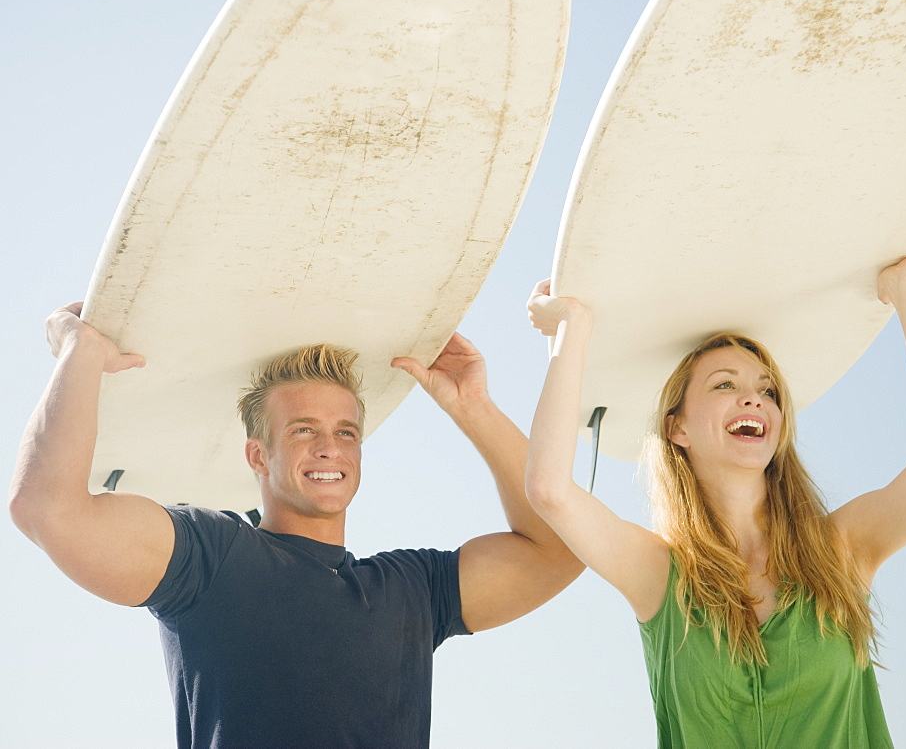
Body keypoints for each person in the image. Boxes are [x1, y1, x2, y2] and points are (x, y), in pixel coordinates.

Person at [9, 302, 582, 748]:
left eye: (347, 432)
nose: (329, 448)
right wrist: (79, 353)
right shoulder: (210, 557)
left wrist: (472, 407)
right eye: (304, 430)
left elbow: (561, 547)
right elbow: (46, 508)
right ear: (258, 457)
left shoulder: (411, 590)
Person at [523, 246, 906, 748]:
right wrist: (576, 325)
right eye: (725, 385)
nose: (753, 398)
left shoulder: (841, 548)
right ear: (678, 429)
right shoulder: (659, 574)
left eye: (768, 392)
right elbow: (549, 490)